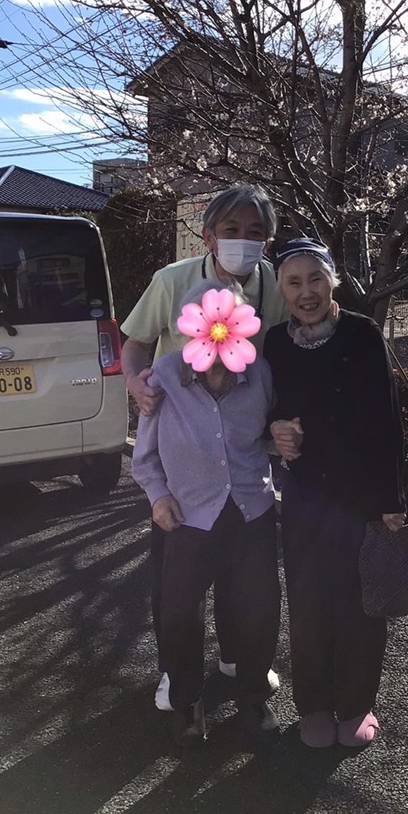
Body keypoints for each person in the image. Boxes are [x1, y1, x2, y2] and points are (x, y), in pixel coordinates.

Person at [120, 184, 286, 710]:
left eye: (255, 232)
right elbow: (136, 344)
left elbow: (282, 359)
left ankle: (239, 657)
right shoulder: (172, 281)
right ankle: (175, 672)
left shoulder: (276, 285)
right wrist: (137, 385)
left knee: (246, 575)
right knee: (176, 582)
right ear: (209, 235)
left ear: (268, 240)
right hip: (182, 442)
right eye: (231, 230)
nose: (243, 240)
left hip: (242, 435)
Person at [264, 237, 407, 749]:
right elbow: (263, 409)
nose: (306, 292)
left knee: (361, 604)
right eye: (294, 283)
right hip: (305, 496)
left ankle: (357, 704)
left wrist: (391, 501)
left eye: (315, 280)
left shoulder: (362, 334)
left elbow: (388, 418)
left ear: (333, 282)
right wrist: (275, 429)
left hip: (360, 496)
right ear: (281, 290)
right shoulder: (275, 343)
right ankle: (314, 705)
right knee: (308, 602)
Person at [131, 280, 281, 746]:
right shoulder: (164, 375)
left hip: (251, 509)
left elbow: (270, 434)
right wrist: (158, 497)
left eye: (228, 324)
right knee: (179, 613)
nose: (216, 335)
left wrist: (286, 437)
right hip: (187, 513)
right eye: (204, 324)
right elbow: (144, 456)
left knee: (258, 607)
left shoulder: (260, 374)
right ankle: (186, 700)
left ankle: (253, 696)